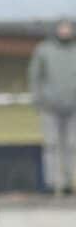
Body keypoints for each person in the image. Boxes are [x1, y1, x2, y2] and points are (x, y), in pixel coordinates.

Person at [27, 19, 76, 195]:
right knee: (51, 146)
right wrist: (39, 100)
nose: (65, 31)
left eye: (68, 28)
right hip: (50, 107)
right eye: (62, 28)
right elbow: (35, 76)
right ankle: (52, 183)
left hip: (73, 107)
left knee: (72, 146)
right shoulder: (44, 50)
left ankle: (70, 182)